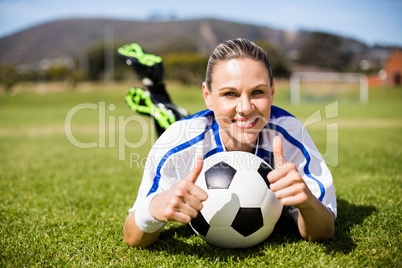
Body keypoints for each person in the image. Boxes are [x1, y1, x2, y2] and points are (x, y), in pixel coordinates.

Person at [118, 38, 336, 248]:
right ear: (208, 96)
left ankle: (159, 97)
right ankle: (159, 97)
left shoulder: (288, 134)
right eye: (230, 94)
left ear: (272, 91)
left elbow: (324, 231)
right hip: (191, 130)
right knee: (173, 126)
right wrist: (152, 211)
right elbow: (133, 235)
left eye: (257, 92)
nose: (245, 107)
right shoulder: (179, 142)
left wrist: (308, 203)